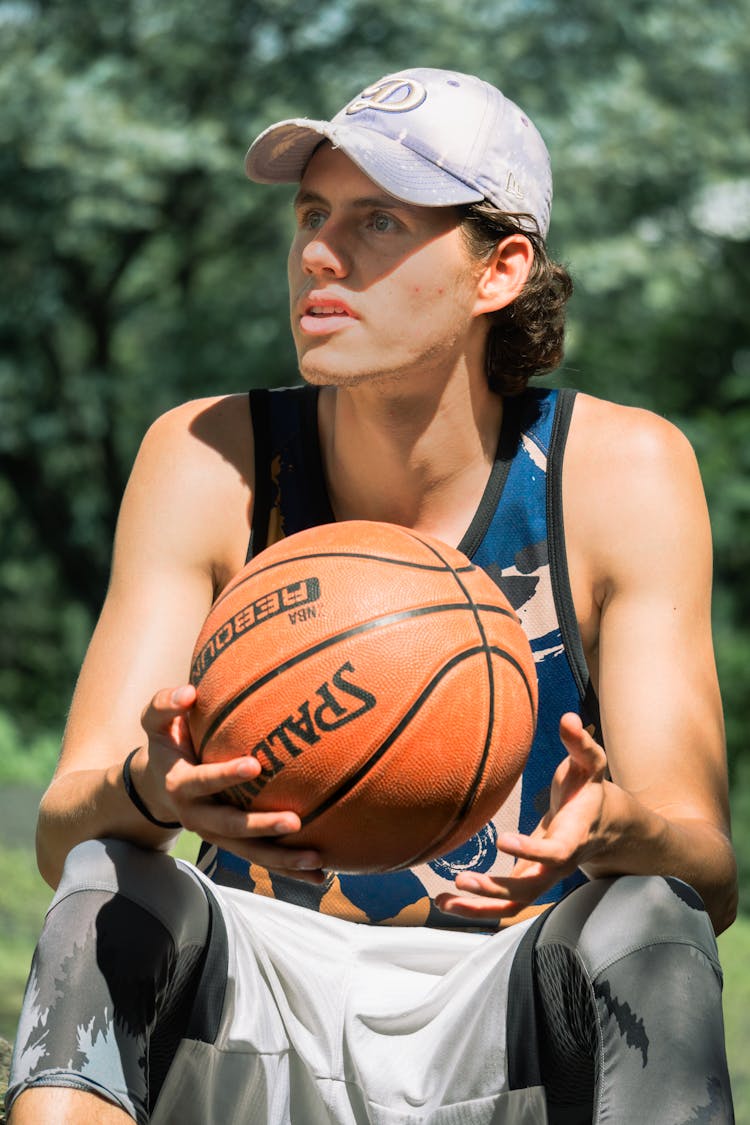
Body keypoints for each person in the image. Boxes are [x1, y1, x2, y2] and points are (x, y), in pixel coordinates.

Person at [6, 67, 737, 1124]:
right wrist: (152, 786)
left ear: (501, 270)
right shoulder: (210, 456)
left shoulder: (620, 471)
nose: (316, 252)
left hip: (506, 999)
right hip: (255, 983)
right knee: (103, 887)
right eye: (312, 213)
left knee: (654, 920)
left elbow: (707, 871)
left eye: (379, 220)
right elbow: (62, 825)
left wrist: (621, 829)